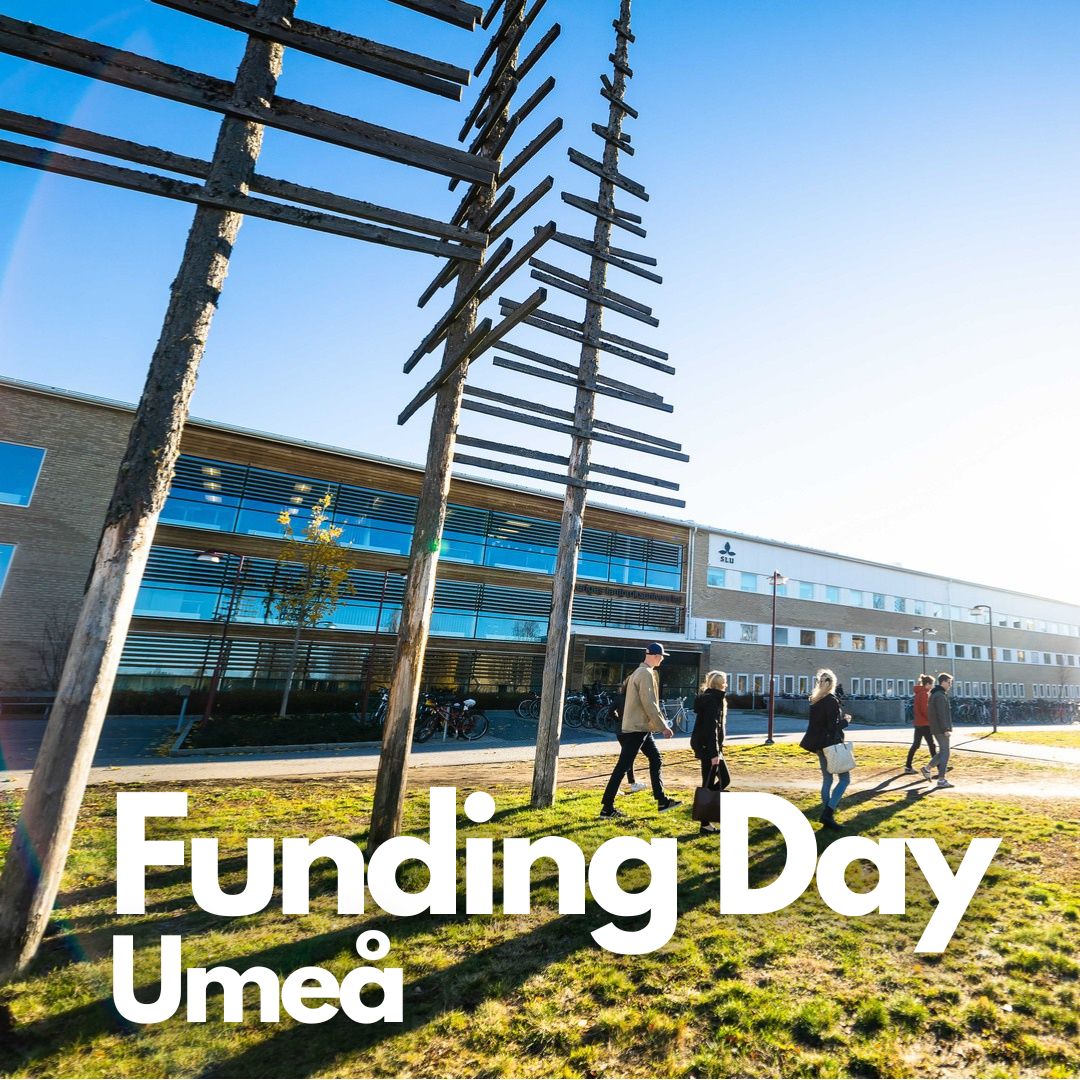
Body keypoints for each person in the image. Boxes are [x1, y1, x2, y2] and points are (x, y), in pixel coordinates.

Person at [599, 643, 680, 818]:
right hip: (637, 728)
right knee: (623, 767)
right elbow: (649, 703)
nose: (663, 659)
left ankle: (662, 800)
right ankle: (607, 808)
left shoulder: (636, 672)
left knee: (655, 759)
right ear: (656, 656)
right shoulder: (646, 673)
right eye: (662, 656)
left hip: (638, 727)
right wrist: (663, 727)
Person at [799, 667, 850, 829]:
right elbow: (832, 727)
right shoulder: (831, 701)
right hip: (832, 746)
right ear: (832, 684)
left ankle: (827, 814)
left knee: (827, 779)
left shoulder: (815, 700)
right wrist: (846, 721)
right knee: (844, 779)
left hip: (819, 746)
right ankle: (828, 814)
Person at [691, 670, 729, 835]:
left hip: (708, 747)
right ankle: (703, 813)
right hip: (709, 749)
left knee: (708, 783)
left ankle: (704, 822)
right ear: (721, 684)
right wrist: (715, 753)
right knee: (723, 779)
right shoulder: (713, 700)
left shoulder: (709, 698)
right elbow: (711, 729)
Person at [922, 673, 954, 788]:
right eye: (949, 682)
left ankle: (927, 769)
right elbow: (941, 714)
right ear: (943, 682)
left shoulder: (936, 694)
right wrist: (946, 729)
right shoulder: (940, 696)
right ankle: (941, 780)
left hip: (936, 727)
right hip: (941, 728)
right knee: (946, 753)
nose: (950, 685)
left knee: (943, 752)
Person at [904, 674, 938, 774]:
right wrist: (932, 719)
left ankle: (908, 766)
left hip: (918, 723)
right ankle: (940, 767)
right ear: (927, 684)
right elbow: (924, 710)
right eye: (932, 684)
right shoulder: (924, 694)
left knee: (916, 745)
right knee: (932, 745)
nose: (933, 686)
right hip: (925, 723)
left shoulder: (919, 692)